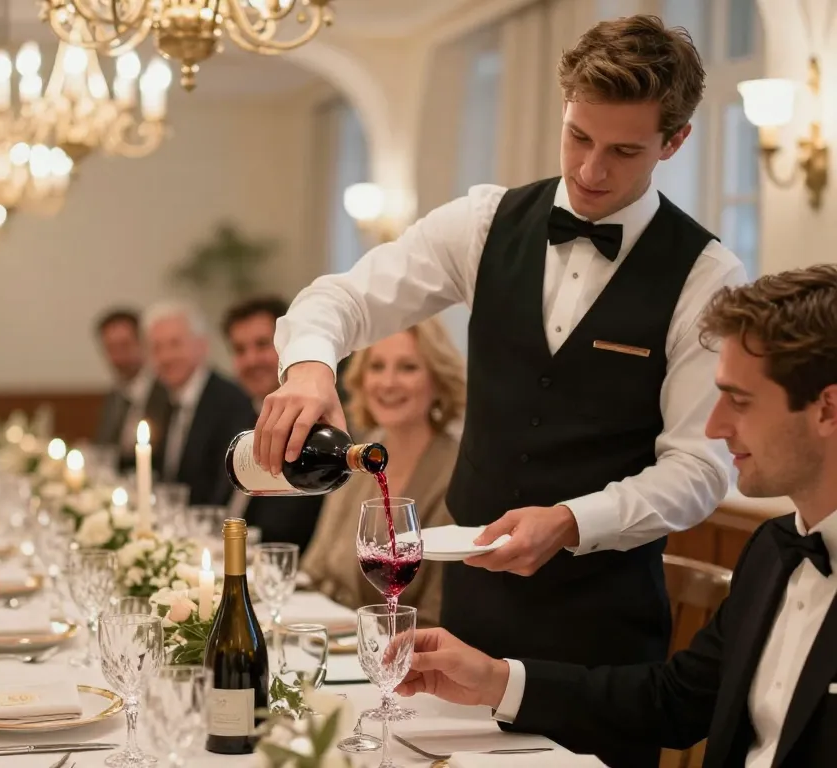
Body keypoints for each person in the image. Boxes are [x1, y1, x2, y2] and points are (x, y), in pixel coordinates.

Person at [255, 17, 746, 763]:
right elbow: (340, 298)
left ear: (673, 143)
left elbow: (701, 469)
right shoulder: (485, 224)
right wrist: (312, 367)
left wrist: (573, 521)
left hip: (601, 648)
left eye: (623, 151)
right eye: (578, 137)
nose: (590, 171)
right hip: (465, 632)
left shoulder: (707, 278)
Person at [395, 265, 837, 768]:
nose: (714, 427)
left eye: (739, 401)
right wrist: (494, 680)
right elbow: (673, 701)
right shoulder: (773, 549)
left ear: (827, 409)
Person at [301, 318, 465, 625]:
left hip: (407, 656)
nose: (388, 382)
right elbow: (315, 570)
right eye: (377, 367)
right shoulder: (359, 457)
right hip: (335, 645)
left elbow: (439, 613)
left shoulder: (457, 473)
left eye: (408, 367)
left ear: (438, 380)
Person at [222, 296, 322, 552]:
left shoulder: (313, 427)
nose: (251, 360)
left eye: (262, 345)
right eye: (240, 350)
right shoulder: (239, 415)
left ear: (291, 348)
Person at [144, 301, 256, 506]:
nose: (165, 357)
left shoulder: (231, 400)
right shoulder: (160, 400)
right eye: (156, 348)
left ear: (202, 346)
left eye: (175, 344)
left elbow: (224, 489)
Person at [92, 308, 154, 471]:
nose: (118, 357)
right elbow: (104, 447)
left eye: (124, 346)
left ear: (143, 343)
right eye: (111, 348)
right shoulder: (116, 394)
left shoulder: (165, 393)